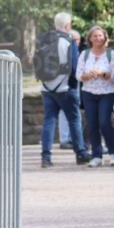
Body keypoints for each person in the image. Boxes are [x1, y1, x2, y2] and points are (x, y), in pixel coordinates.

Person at [38, 13, 89, 167]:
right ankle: (80, 153)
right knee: (74, 120)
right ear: (67, 26)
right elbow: (74, 67)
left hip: (47, 87)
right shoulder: (69, 41)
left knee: (49, 121)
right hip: (66, 87)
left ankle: (46, 157)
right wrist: (75, 84)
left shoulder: (43, 40)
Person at [76, 25, 114, 167]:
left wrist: (104, 74)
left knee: (104, 122)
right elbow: (78, 76)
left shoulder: (111, 54)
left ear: (105, 37)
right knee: (92, 124)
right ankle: (96, 155)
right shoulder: (84, 54)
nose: (98, 38)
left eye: (100, 35)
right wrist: (87, 75)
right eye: (95, 36)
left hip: (106, 92)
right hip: (88, 92)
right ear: (90, 38)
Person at [57, 29, 82, 150]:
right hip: (65, 85)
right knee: (64, 112)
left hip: (76, 84)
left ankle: (73, 139)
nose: (74, 42)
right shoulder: (63, 50)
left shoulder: (80, 52)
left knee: (74, 112)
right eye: (72, 39)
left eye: (76, 40)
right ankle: (65, 139)